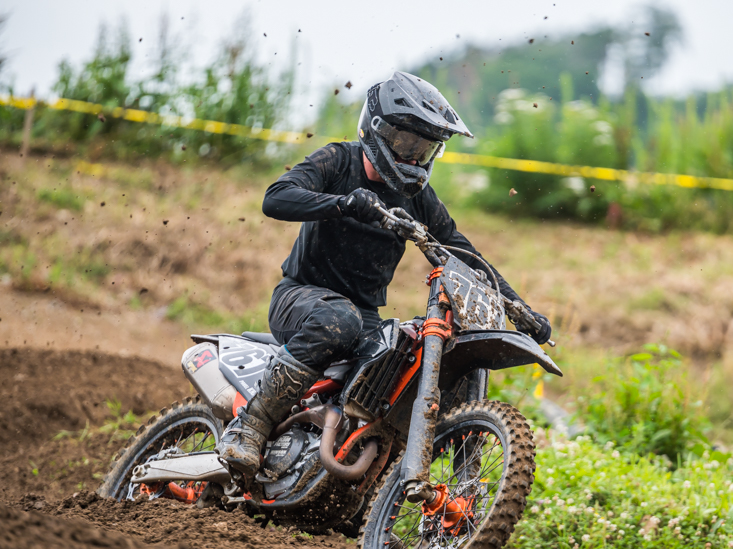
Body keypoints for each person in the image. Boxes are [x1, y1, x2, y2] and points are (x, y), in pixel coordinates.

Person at [218, 71, 552, 479]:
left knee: (403, 360)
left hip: (363, 317)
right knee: (339, 319)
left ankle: (400, 482)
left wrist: (519, 309)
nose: (413, 157)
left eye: (425, 149)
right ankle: (250, 426)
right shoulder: (338, 160)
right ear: (378, 130)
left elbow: (464, 253)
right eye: (407, 143)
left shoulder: (419, 199)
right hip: (301, 296)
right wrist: (344, 203)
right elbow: (276, 198)